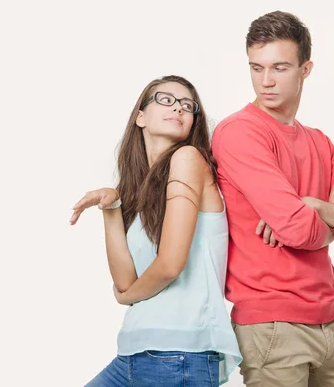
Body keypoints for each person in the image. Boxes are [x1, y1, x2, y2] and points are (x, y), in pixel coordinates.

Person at [211, 11, 334, 386]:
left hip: (331, 323)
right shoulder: (239, 133)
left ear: (306, 69)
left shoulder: (319, 141)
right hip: (272, 327)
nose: (266, 81)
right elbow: (297, 229)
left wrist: (320, 207)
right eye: (256, 68)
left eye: (280, 68)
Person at [70, 75, 242, 387]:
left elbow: (170, 264)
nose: (178, 108)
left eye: (187, 105)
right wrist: (112, 208)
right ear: (140, 116)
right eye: (166, 99)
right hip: (135, 353)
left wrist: (126, 298)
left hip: (180, 353)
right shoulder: (140, 191)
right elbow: (124, 279)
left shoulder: (188, 159)